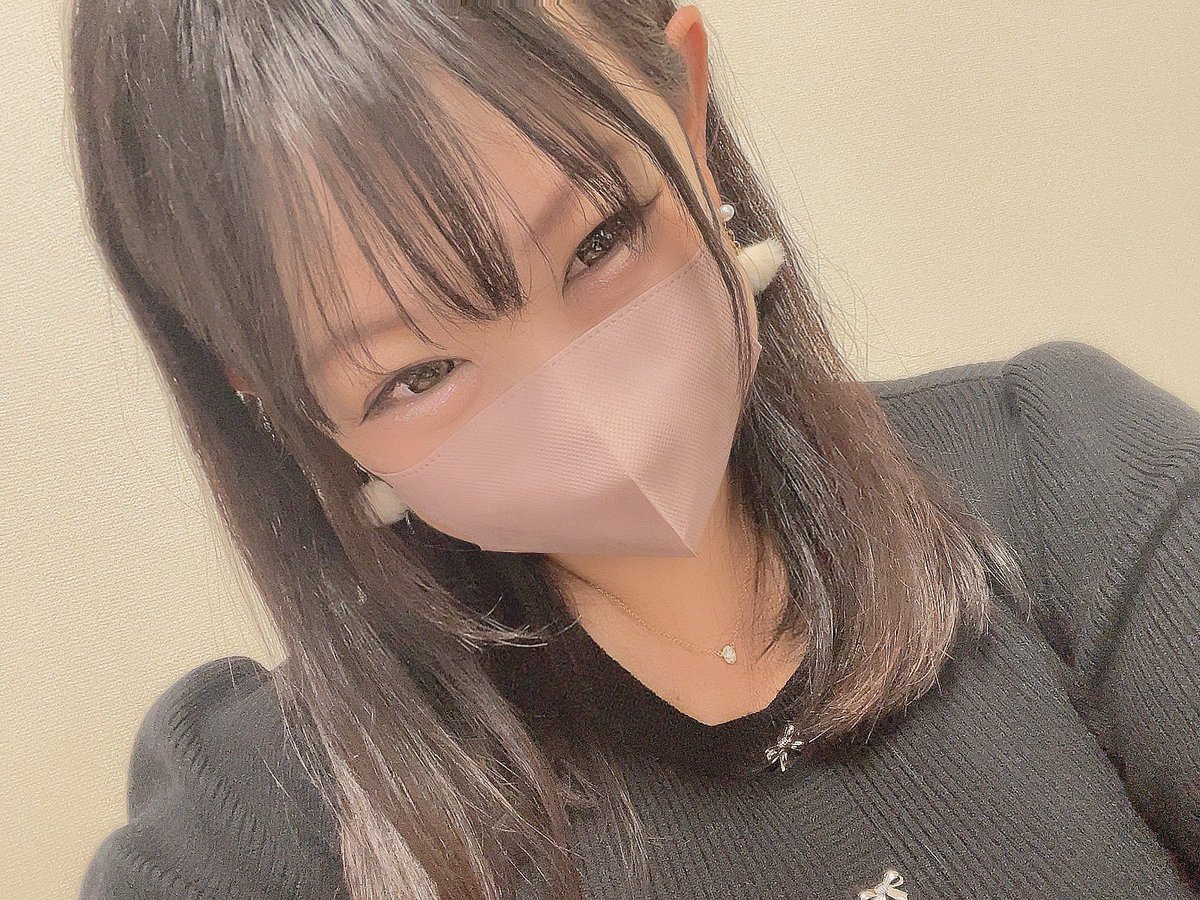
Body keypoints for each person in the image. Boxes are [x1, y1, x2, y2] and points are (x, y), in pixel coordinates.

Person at [68, 2, 1198, 898]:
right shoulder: (261, 821)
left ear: (686, 107)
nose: (587, 424)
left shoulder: (1073, 475)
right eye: (418, 373)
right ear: (273, 394)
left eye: (600, 239)